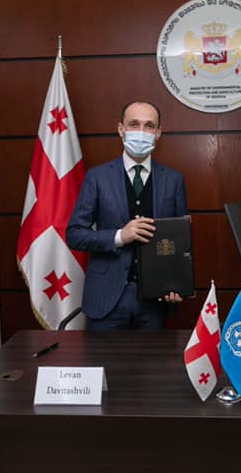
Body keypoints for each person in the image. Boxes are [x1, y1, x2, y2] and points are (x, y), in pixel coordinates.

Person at [65, 100, 187, 330]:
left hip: (155, 301)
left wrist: (177, 284)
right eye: (133, 124)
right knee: (103, 355)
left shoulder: (173, 180)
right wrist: (120, 236)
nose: (141, 131)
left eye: (149, 126)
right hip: (106, 298)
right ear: (121, 129)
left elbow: (181, 241)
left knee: (153, 355)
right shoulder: (97, 177)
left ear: (158, 133)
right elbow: (74, 235)